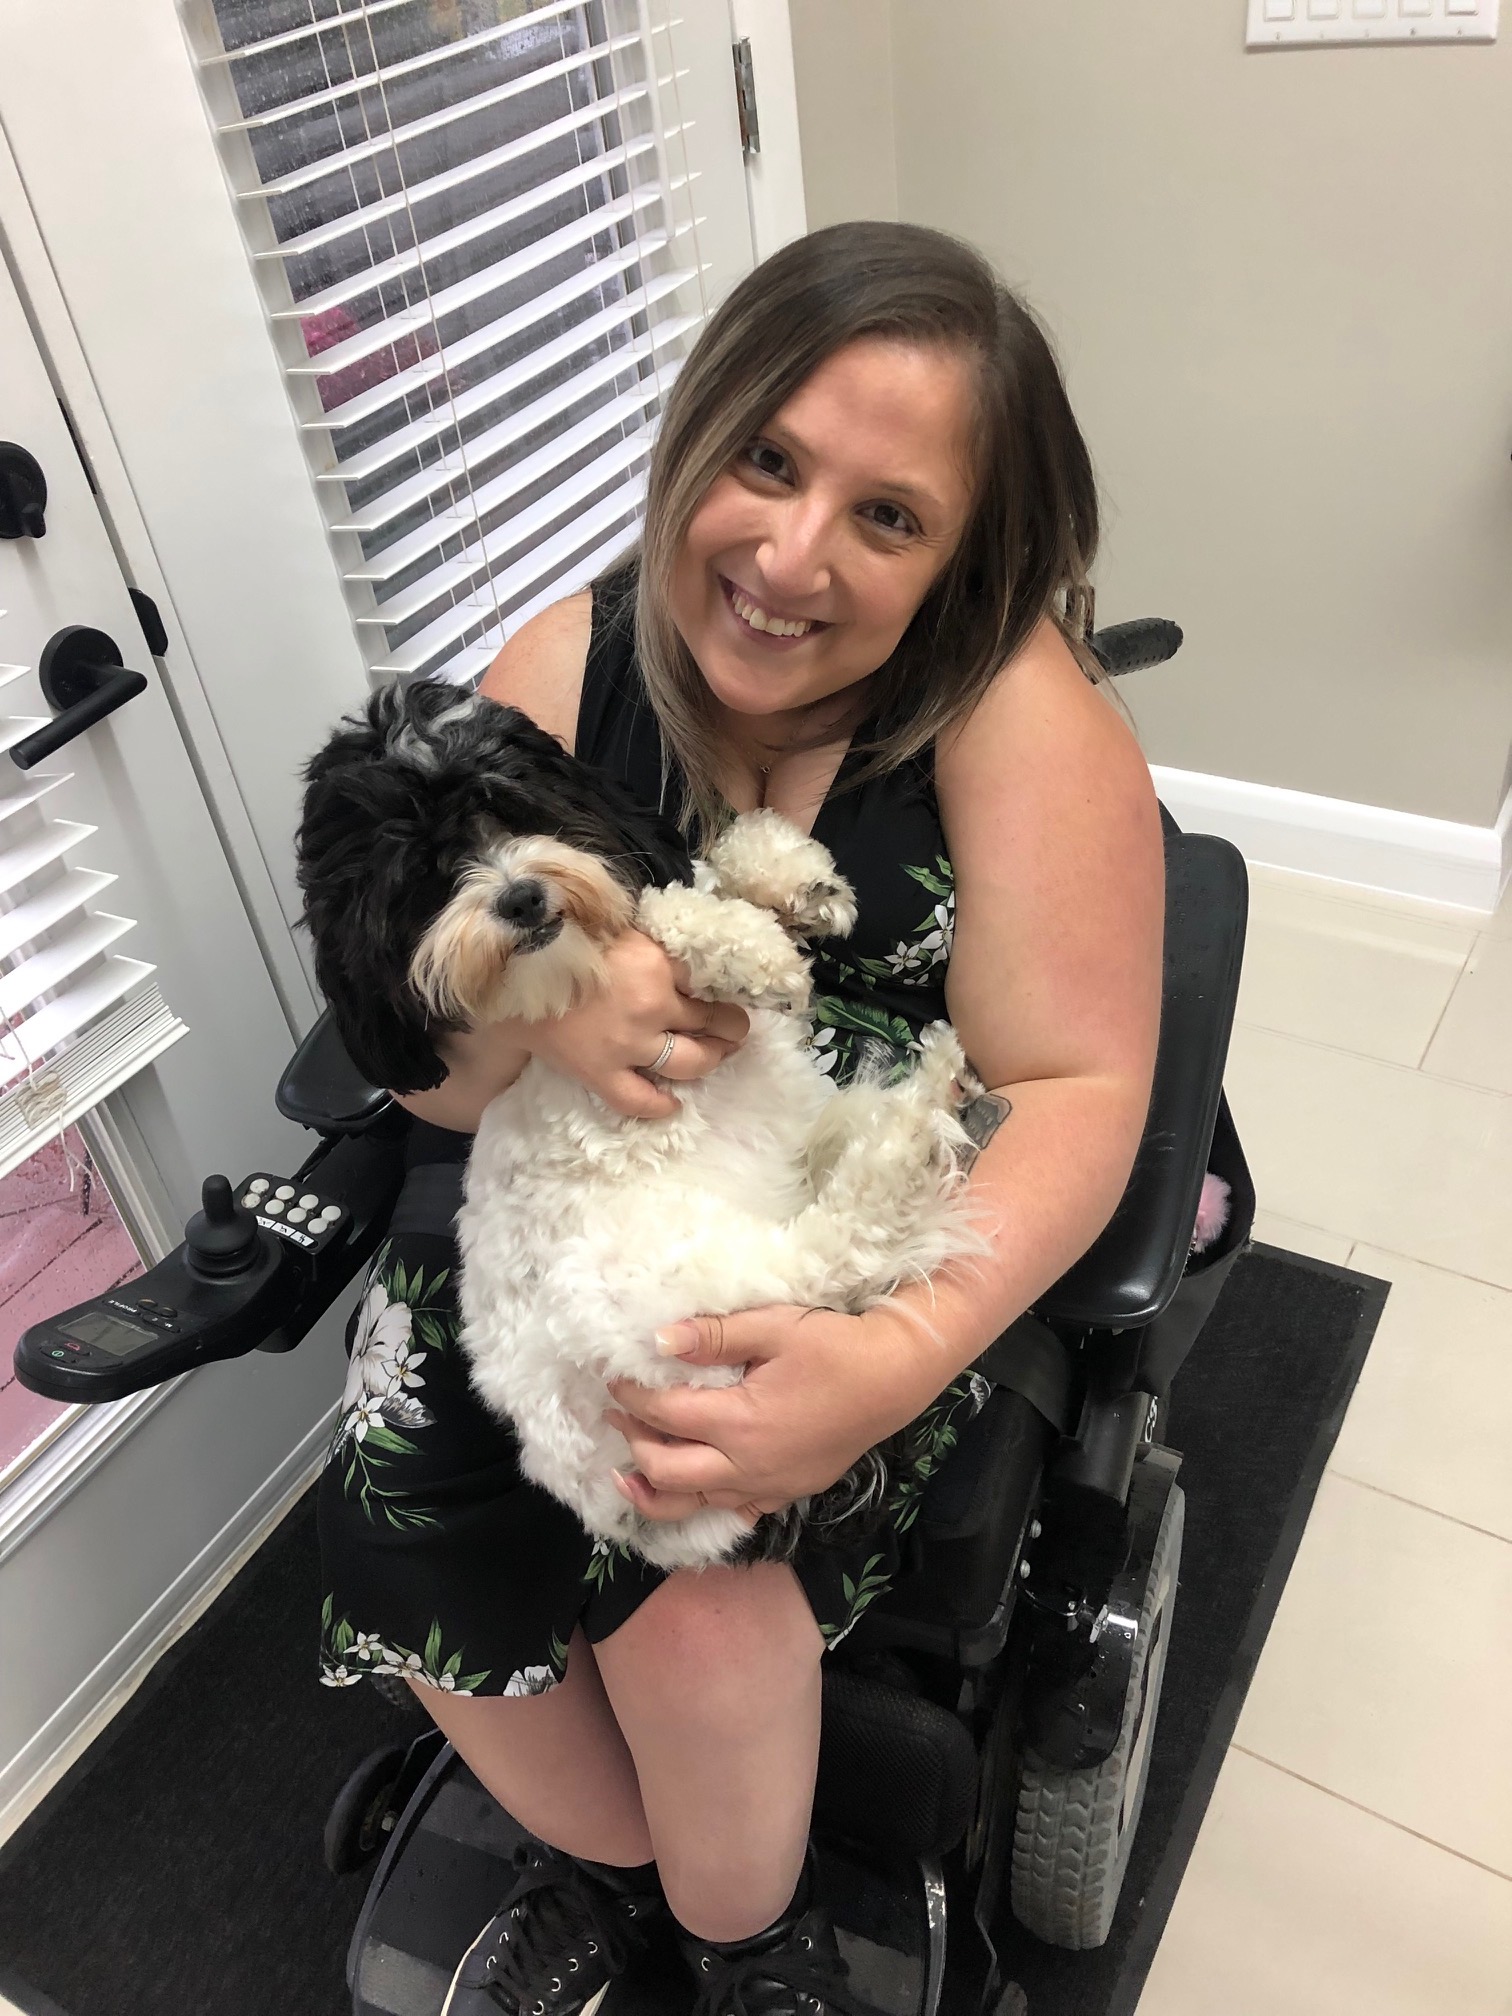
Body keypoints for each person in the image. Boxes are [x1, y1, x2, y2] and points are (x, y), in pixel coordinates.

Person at [315, 220, 1164, 2015]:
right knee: (399, 1479)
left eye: (888, 514)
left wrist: (899, 1354)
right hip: (553, 1199)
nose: (789, 557)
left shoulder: (1019, 724)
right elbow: (416, 1043)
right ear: (699, 437)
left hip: (841, 1209)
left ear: (965, 560)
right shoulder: (566, 662)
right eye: (769, 462)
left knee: (687, 1590)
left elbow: (1085, 1087)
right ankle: (613, 1872)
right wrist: (546, 1020)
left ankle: (742, 1931)